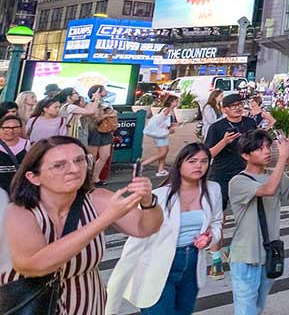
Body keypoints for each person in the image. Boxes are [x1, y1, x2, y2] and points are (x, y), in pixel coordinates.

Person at [3, 136, 162, 314]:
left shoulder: (97, 199)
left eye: (80, 160)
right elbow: (33, 265)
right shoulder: (17, 212)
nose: (74, 169)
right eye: (59, 165)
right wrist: (105, 219)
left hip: (86, 304)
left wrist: (148, 201)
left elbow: (145, 227)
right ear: (33, 177)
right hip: (30, 305)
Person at [105, 143, 223, 315]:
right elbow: (138, 232)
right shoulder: (159, 196)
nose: (199, 166)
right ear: (180, 164)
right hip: (158, 265)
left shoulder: (213, 189)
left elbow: (217, 222)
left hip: (192, 264)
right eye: (192, 161)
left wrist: (210, 237)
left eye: (204, 161)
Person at [229, 131, 289, 315]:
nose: (266, 151)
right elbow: (269, 190)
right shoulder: (238, 181)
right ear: (245, 155)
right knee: (246, 311)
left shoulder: (273, 175)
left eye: (268, 147)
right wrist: (283, 158)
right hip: (246, 255)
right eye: (259, 149)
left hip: (269, 253)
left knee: (257, 307)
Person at [203, 92, 260, 277]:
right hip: (221, 176)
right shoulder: (217, 127)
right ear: (224, 109)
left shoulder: (249, 123)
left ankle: (233, 249)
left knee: (248, 216)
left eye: (240, 104)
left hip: (244, 176)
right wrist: (224, 141)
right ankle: (216, 261)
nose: (238, 108)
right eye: (233, 106)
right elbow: (207, 154)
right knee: (218, 219)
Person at [85, 85, 115, 185]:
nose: (106, 91)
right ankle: (88, 179)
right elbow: (95, 118)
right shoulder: (90, 104)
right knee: (92, 157)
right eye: (103, 90)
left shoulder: (106, 102)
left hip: (106, 130)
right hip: (94, 131)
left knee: (105, 155)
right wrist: (107, 115)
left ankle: (95, 177)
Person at [141, 96, 179, 176]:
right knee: (163, 153)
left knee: (164, 152)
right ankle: (142, 165)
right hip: (160, 134)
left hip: (161, 134)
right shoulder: (167, 110)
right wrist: (167, 130)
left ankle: (161, 170)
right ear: (171, 102)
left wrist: (171, 126)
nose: (177, 103)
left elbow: (163, 123)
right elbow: (158, 122)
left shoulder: (168, 110)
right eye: (176, 101)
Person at [0, 114, 29, 190]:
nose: (11, 131)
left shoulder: (27, 144)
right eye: (6, 128)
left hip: (20, 186)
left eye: (15, 127)